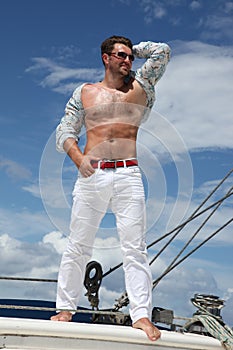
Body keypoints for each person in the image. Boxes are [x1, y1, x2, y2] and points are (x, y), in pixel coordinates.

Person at [51, 35, 170, 341]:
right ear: (105, 58)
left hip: (129, 174)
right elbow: (65, 129)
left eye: (130, 56)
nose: (128, 61)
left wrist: (134, 49)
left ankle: (141, 316)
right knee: (78, 244)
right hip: (92, 176)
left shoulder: (142, 87)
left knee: (135, 249)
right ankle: (65, 308)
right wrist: (78, 159)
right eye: (121, 55)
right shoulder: (86, 92)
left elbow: (162, 52)